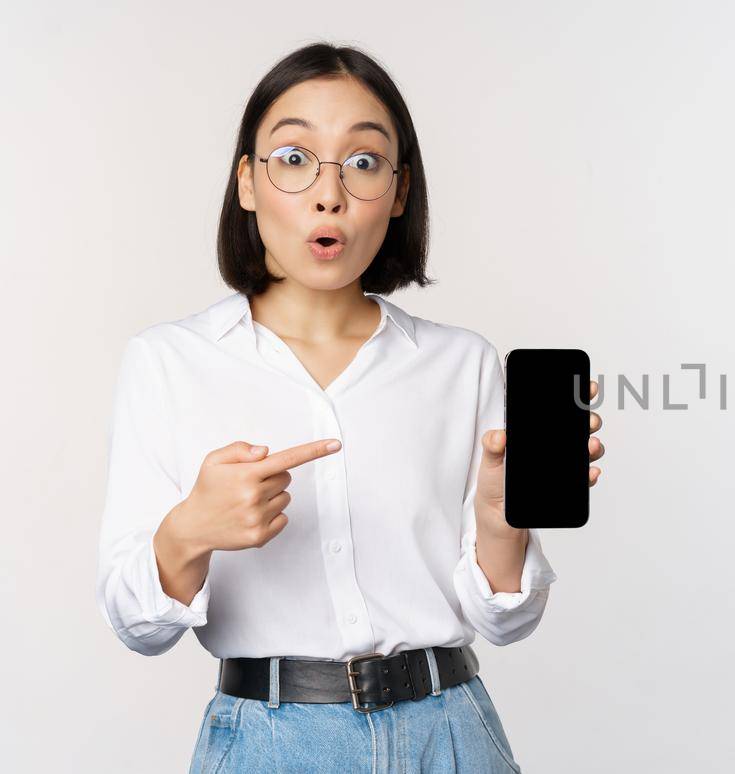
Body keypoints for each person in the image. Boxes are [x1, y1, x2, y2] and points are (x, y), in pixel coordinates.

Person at [93, 42, 606, 773]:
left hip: (452, 735)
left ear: (399, 193)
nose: (328, 194)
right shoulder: (168, 363)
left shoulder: (462, 365)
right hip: (269, 745)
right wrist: (189, 532)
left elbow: (508, 619)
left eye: (363, 163)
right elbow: (137, 626)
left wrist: (500, 522)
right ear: (247, 182)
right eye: (294, 158)